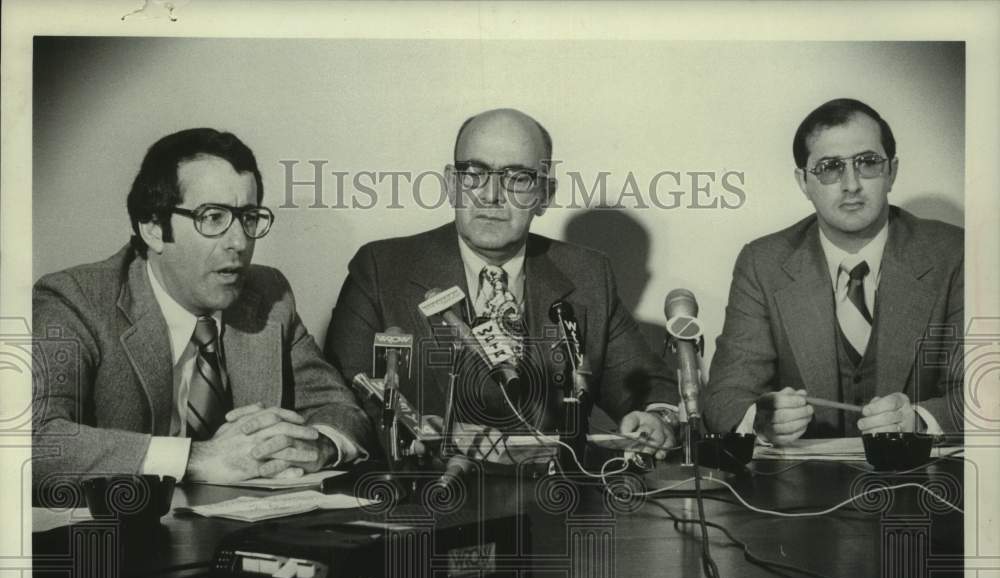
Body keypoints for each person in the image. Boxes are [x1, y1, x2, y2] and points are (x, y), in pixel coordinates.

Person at [325, 108, 678, 462]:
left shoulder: (588, 273)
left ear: (544, 194)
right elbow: (342, 398)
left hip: (552, 502)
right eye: (474, 173)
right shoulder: (382, 268)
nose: (491, 195)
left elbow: (651, 387)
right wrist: (430, 432)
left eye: (518, 178)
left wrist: (657, 418)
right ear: (451, 184)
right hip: (426, 495)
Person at [32, 128, 373, 492]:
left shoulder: (269, 295)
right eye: (212, 217)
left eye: (249, 217)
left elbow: (341, 409)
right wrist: (197, 459)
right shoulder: (75, 300)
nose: (239, 242)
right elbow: (31, 439)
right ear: (152, 227)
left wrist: (316, 446)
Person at [704, 98, 963, 445]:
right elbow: (724, 398)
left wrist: (918, 419)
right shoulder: (762, 263)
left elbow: (985, 393)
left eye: (868, 163)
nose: (851, 184)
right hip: (799, 490)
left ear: (892, 172)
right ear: (803, 182)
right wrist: (761, 419)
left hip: (922, 483)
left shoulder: (954, 253)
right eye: (829, 167)